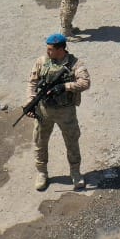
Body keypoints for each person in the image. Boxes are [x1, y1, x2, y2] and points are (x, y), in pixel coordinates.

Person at [25, 32, 91, 191]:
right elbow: (32, 83)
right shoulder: (42, 62)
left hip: (65, 111)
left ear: (61, 49)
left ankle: (75, 172)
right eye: (47, 49)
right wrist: (30, 102)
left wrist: (65, 87)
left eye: (50, 49)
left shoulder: (75, 64)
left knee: (72, 142)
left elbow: (85, 83)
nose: (48, 52)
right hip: (43, 110)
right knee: (40, 141)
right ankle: (42, 173)